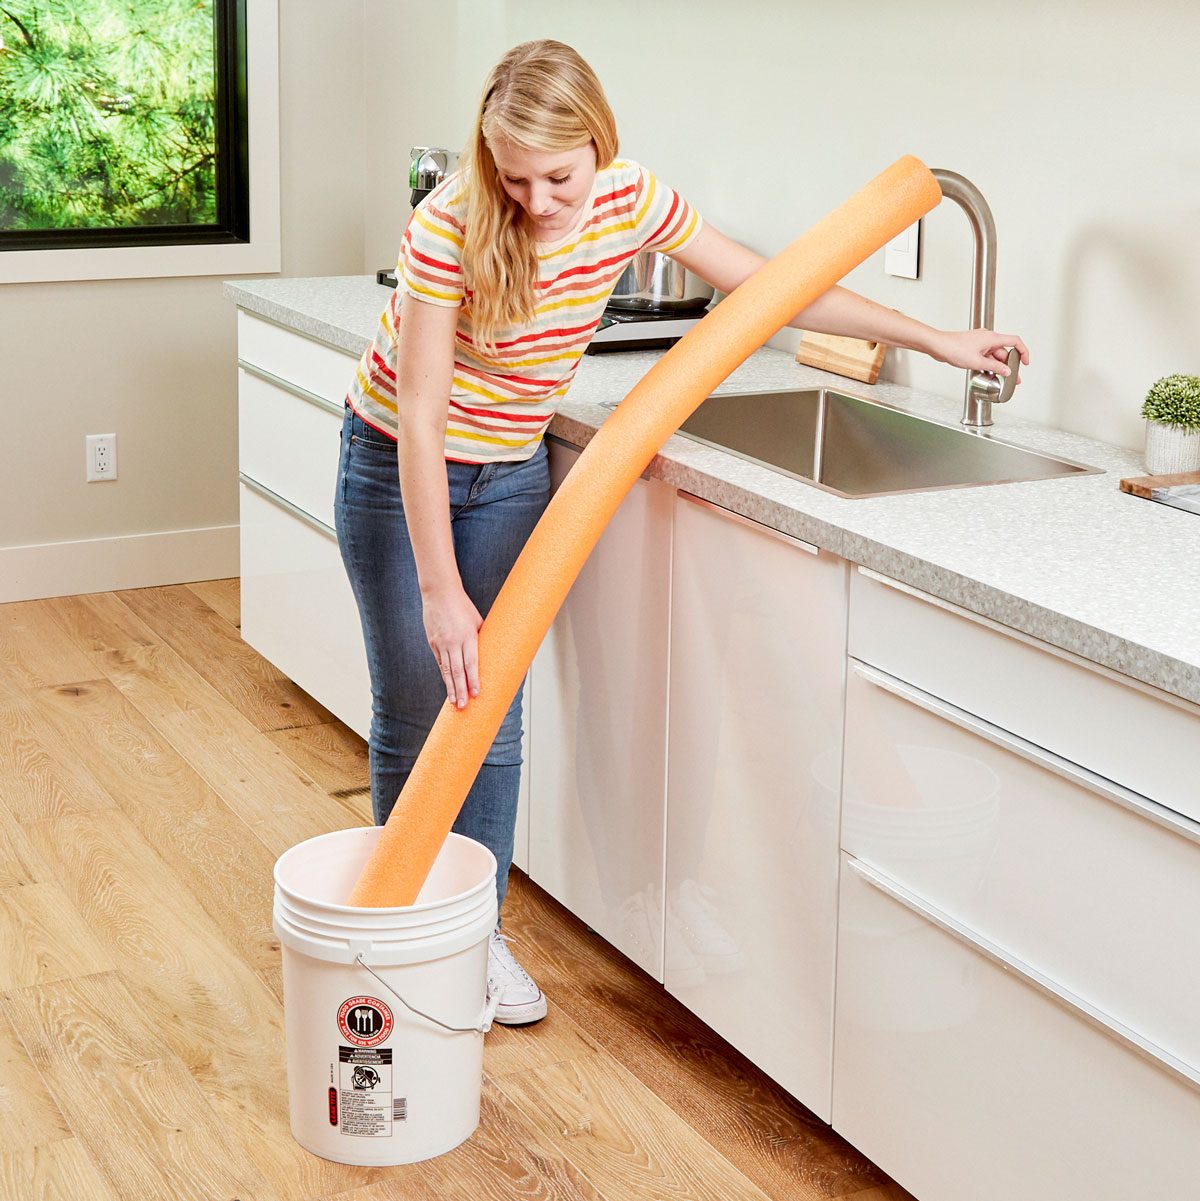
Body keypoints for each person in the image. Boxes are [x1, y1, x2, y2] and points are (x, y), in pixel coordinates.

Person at [334, 38, 1029, 1027]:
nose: (537, 199)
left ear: (599, 144)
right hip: (395, 465)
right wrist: (441, 588)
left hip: (512, 475)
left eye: (558, 175)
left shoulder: (630, 199)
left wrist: (935, 338)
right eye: (515, 176)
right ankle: (402, 928)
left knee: (489, 711)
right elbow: (422, 416)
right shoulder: (451, 221)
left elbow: (777, 286)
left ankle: (473, 935)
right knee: (418, 707)